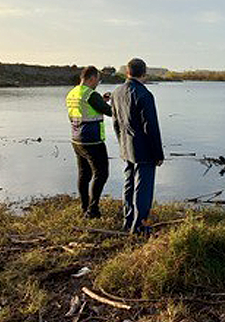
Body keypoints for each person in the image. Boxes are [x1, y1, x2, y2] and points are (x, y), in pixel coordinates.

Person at [110, 58, 164, 235]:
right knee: (143, 189)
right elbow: (151, 127)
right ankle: (140, 226)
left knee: (129, 184)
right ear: (144, 74)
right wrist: (158, 153)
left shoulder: (116, 92)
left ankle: (128, 221)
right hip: (144, 149)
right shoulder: (144, 94)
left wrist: (121, 144)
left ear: (127, 72)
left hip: (126, 147)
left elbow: (116, 123)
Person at [66, 66, 112, 218]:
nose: (98, 82)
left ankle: (85, 207)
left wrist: (101, 101)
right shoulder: (91, 94)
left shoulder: (72, 93)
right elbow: (111, 112)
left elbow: (83, 109)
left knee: (84, 174)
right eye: (98, 79)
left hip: (76, 139)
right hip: (92, 141)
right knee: (102, 173)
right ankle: (93, 210)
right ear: (91, 78)